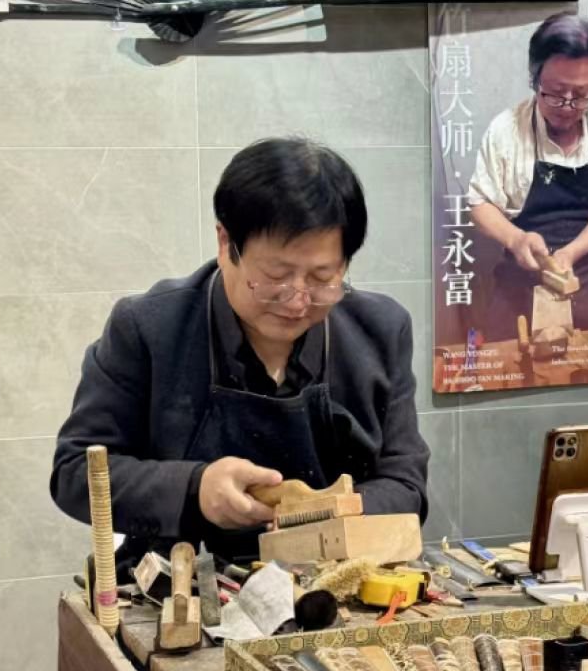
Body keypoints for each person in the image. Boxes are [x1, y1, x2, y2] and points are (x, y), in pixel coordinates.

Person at [51, 137, 429, 571]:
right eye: (275, 275)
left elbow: (405, 484)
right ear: (225, 241)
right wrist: (195, 489)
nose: (297, 299)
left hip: (334, 581)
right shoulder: (148, 328)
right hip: (185, 581)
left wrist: (328, 514)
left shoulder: (379, 330)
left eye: (322, 277)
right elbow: (74, 473)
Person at [467, 12, 588, 338]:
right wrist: (516, 239)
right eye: (555, 91)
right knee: (506, 350)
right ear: (535, 78)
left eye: (580, 95)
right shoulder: (505, 129)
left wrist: (570, 253)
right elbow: (480, 203)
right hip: (523, 270)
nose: (567, 106)